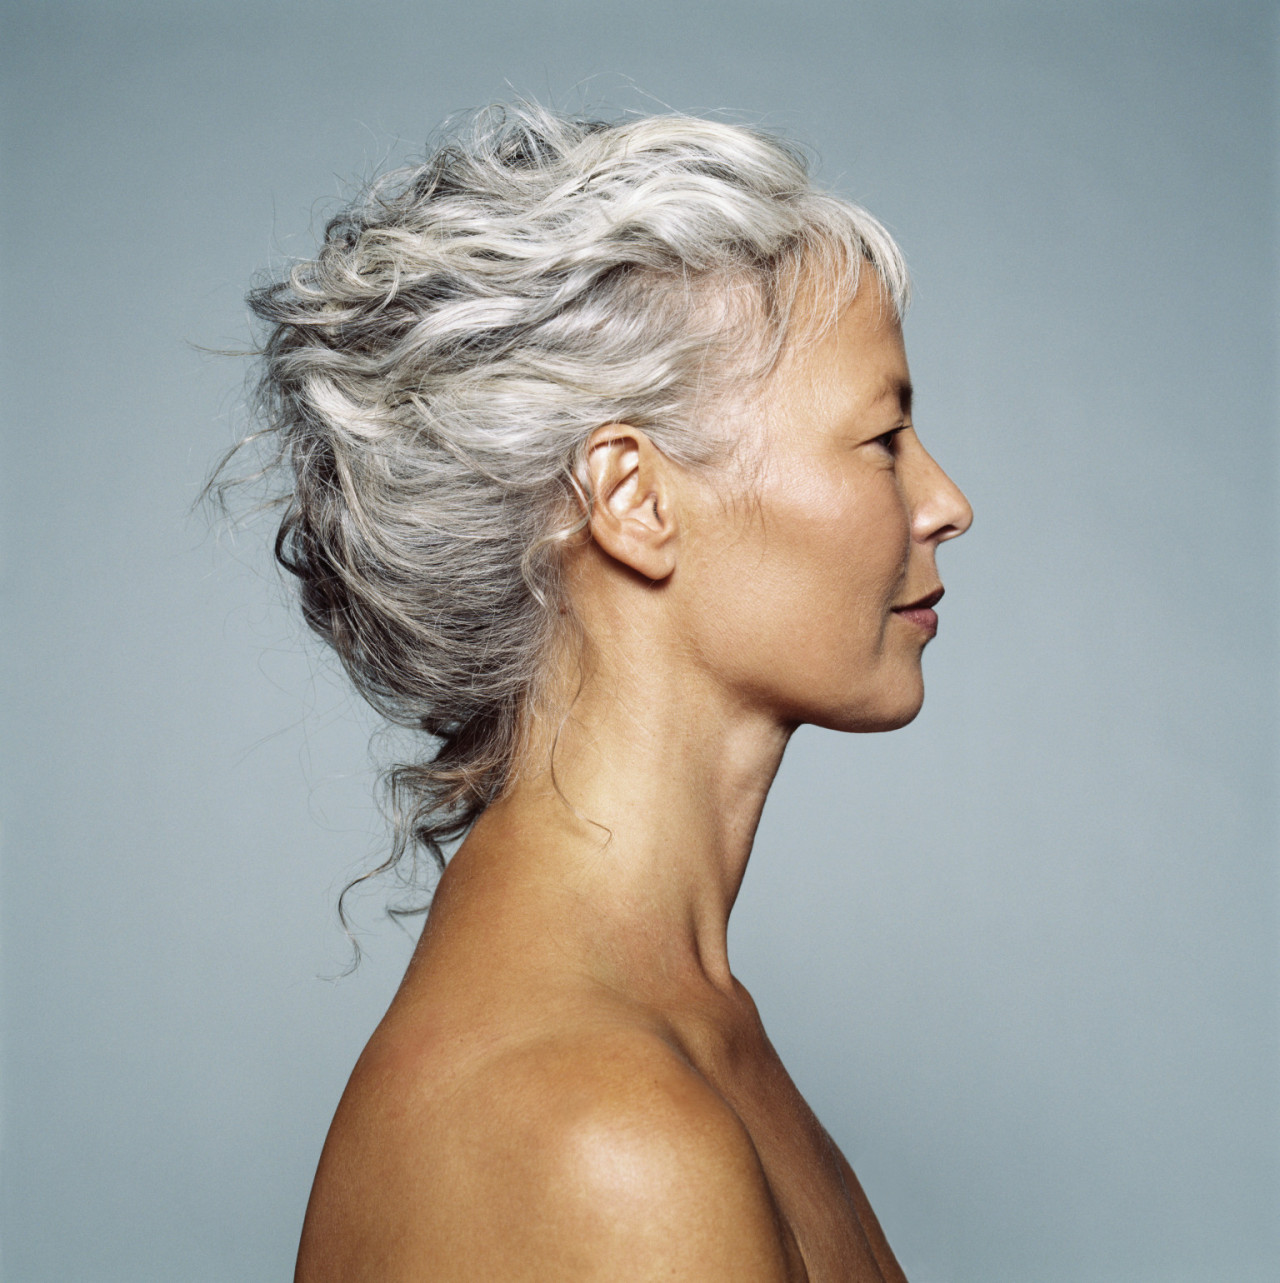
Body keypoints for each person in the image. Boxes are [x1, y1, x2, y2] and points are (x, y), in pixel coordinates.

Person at [239, 103, 972, 1281]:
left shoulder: (685, 1019)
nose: (944, 502)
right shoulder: (598, 1129)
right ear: (633, 497)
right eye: (881, 437)